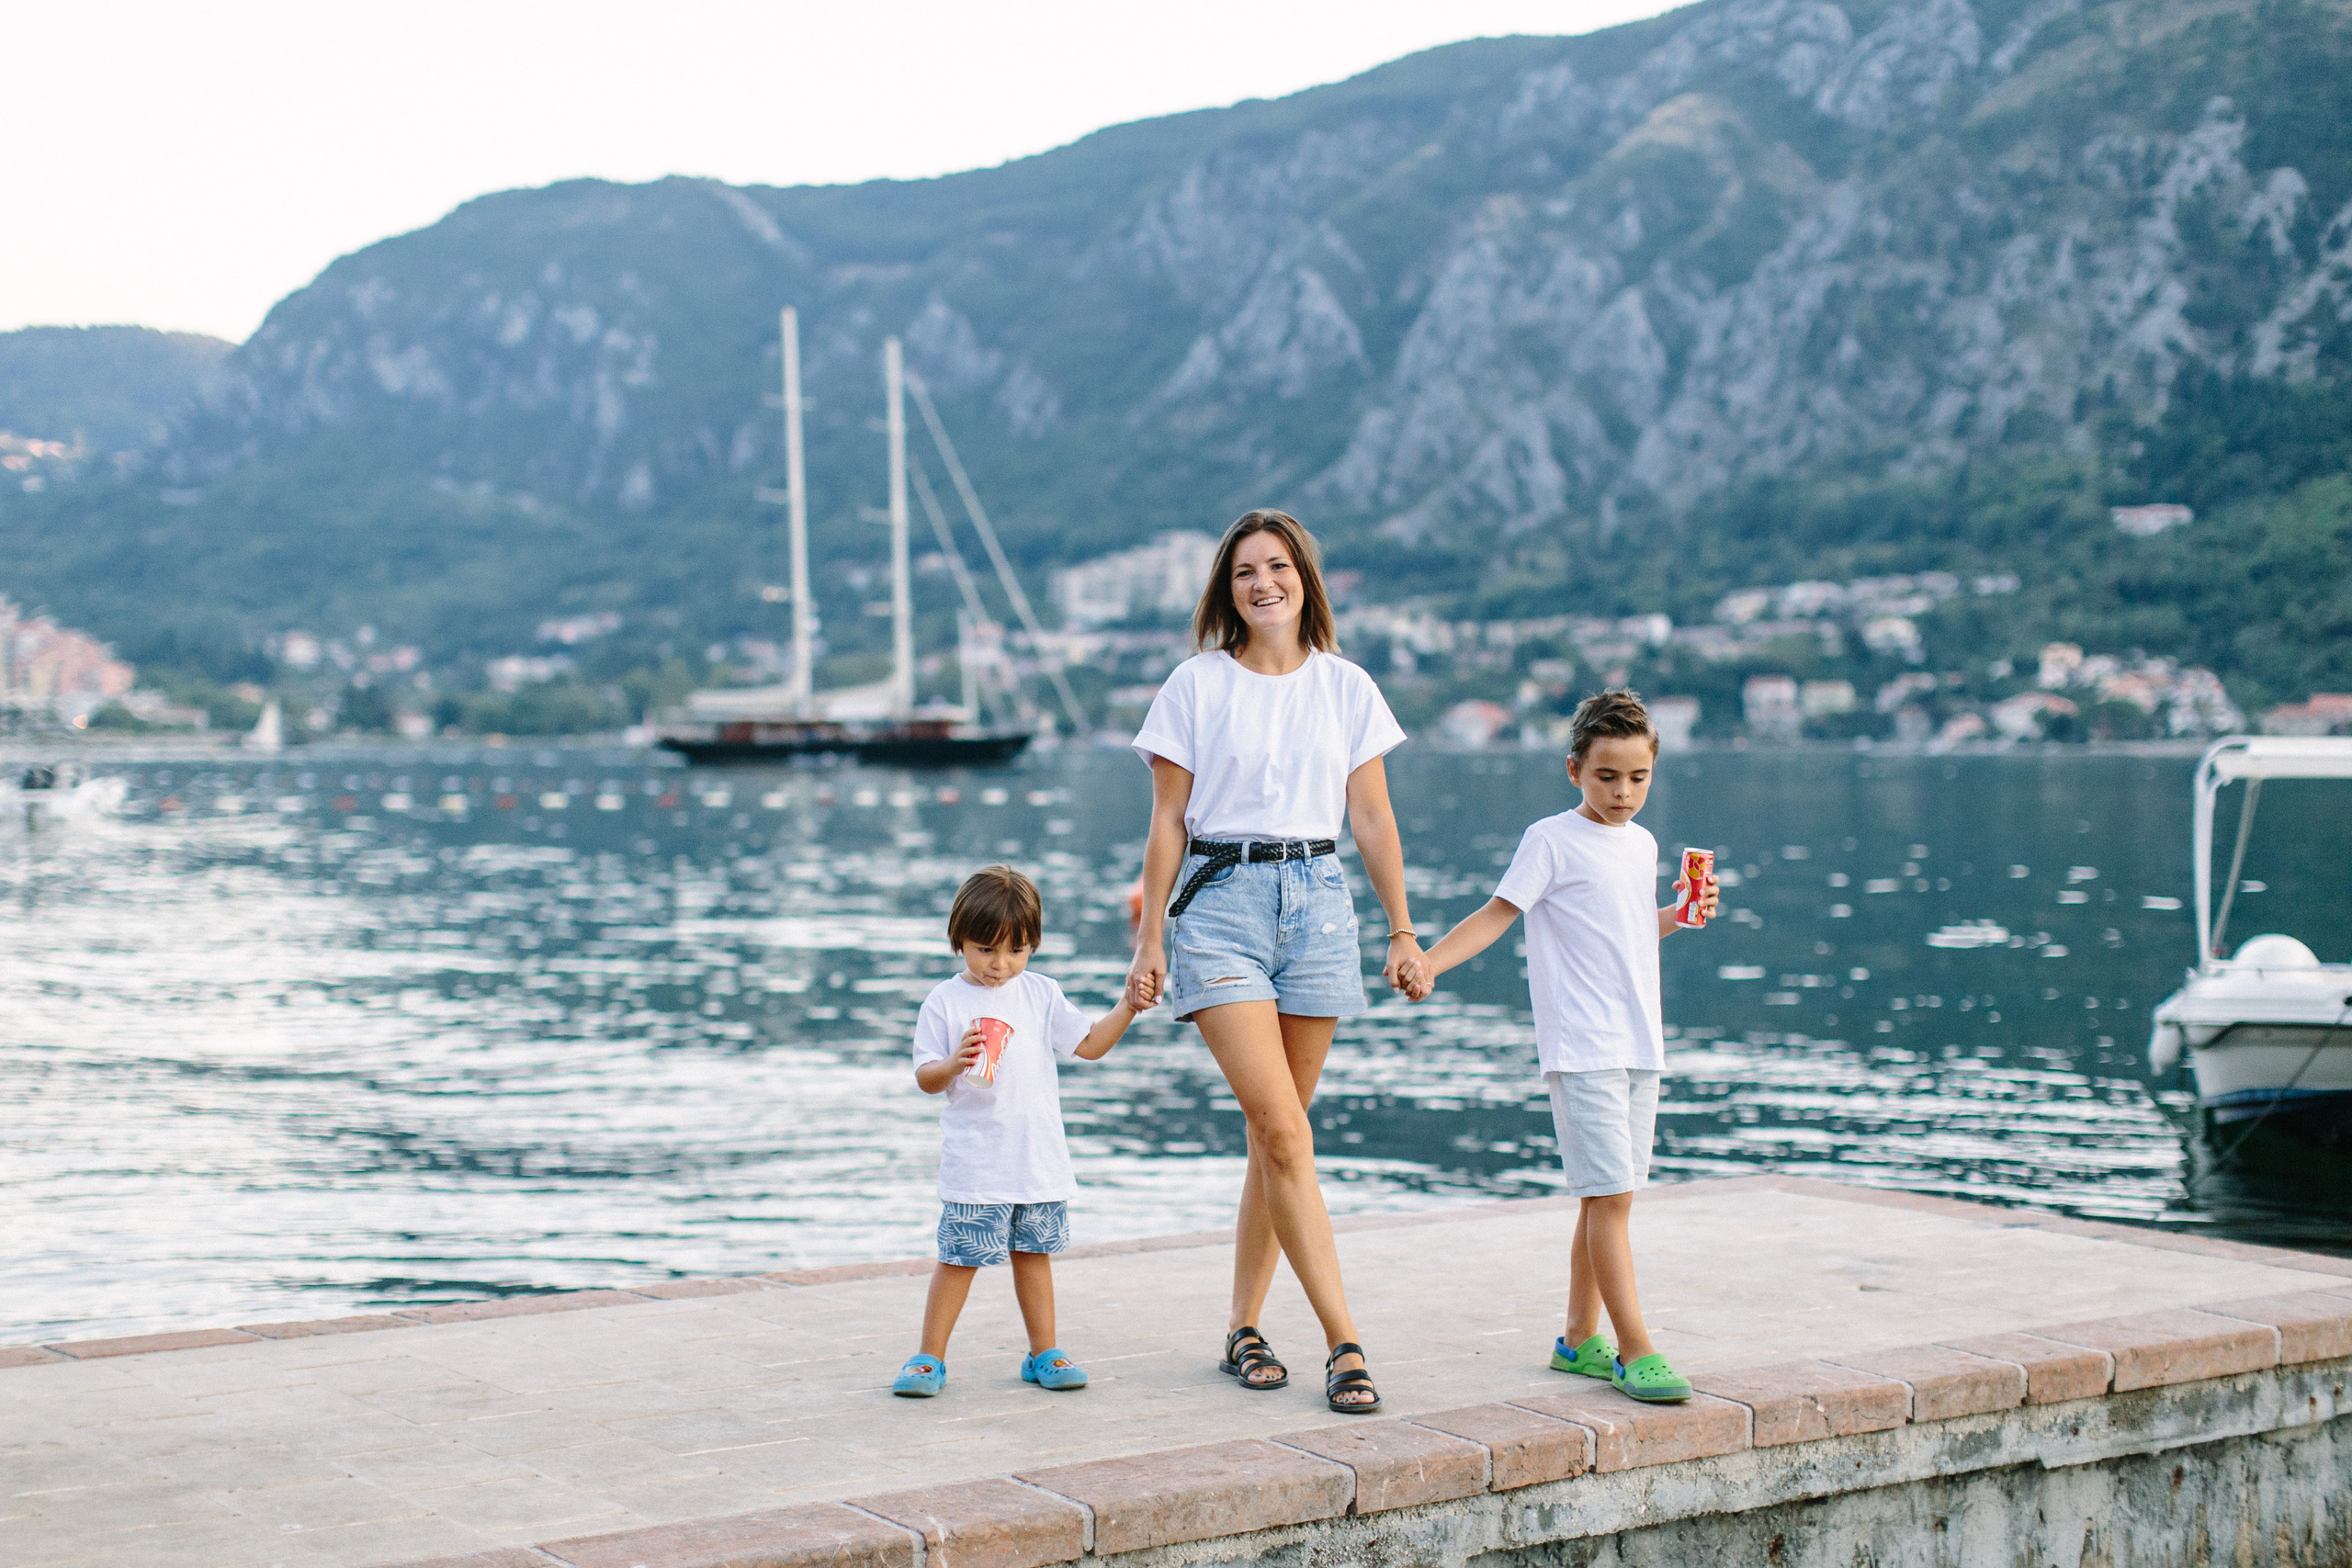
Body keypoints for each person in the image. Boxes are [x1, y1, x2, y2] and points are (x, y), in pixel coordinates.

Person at [1126, 508, 1420, 1415]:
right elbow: (1167, 820)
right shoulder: (1195, 684)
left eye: (1279, 566)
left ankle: (1242, 1328)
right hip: (1221, 905)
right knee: (1285, 1131)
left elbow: (1370, 817)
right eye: (1246, 570)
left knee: (1276, 1132)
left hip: (1319, 905)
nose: (1264, 582)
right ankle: (1344, 1342)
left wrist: (1402, 929)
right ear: (1228, 588)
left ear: (1304, 579)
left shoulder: (1346, 686)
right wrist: (1150, 937)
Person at [1397, 688, 1719, 1404]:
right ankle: (1635, 1349)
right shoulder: (1550, 839)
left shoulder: (1641, 844)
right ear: (1574, 769)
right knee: (1610, 1196)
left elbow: (1628, 930)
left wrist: (1679, 914)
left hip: (1640, 1042)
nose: (1623, 791)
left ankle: (1578, 1338)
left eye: (1638, 777)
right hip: (1583, 1045)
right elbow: (1497, 913)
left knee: (1608, 1195)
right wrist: (1429, 961)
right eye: (1607, 776)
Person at [893, 865, 1143, 1398]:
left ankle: (1043, 1352)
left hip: (1037, 1161)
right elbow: (925, 1078)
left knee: (1034, 1256)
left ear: (1033, 945)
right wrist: (953, 1063)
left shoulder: (1041, 994)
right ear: (959, 939)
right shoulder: (945, 1001)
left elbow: (1089, 1044)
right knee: (959, 1259)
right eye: (985, 949)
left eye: (1017, 950)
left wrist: (1128, 1006)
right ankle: (928, 1357)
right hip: (977, 1164)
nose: (1000, 965)